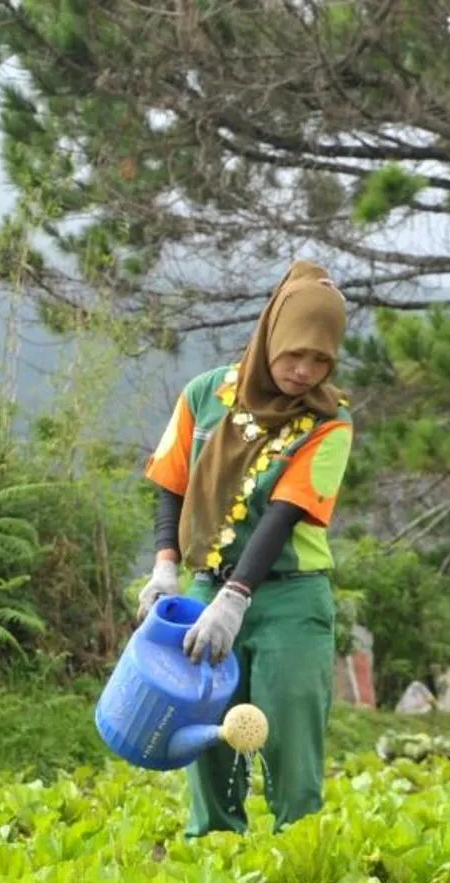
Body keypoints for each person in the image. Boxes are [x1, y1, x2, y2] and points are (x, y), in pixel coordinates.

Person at [135, 261, 355, 836]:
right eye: (294, 355)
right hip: (203, 586)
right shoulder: (205, 396)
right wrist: (165, 568)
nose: (304, 372)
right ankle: (214, 857)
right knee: (208, 736)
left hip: (290, 601)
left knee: (288, 742)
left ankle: (302, 872)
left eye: (320, 360)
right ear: (271, 337)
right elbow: (171, 482)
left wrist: (235, 601)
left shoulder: (329, 424)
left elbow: (282, 516)